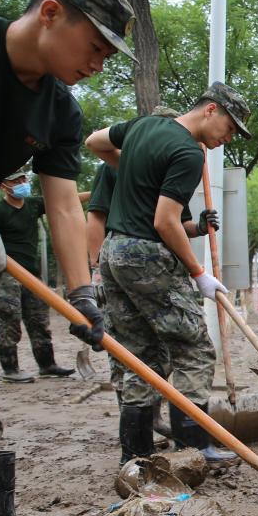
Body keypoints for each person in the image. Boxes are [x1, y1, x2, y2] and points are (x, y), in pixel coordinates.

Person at [0, 0, 134, 516]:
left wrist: (82, 292)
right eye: (96, 47)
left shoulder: (60, 111)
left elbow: (64, 204)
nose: (98, 65)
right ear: (50, 12)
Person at [85, 83, 249, 465]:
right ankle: (193, 448)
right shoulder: (189, 152)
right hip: (147, 255)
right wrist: (198, 273)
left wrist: (132, 168)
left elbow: (94, 141)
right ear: (210, 110)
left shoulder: (142, 127)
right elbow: (165, 221)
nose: (227, 138)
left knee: (141, 356)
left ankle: (137, 457)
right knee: (194, 347)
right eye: (229, 127)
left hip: (115, 253)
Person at [85, 106, 185, 439]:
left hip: (152, 271)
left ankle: (151, 418)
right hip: (119, 265)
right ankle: (133, 434)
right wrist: (97, 271)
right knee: (127, 352)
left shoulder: (166, 168)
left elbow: (172, 223)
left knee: (158, 351)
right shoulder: (115, 167)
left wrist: (198, 226)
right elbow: (96, 217)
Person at [0, 169, 87, 381]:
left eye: (23, 179)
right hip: (4, 274)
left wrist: (98, 193)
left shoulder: (33, 205)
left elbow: (66, 201)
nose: (22, 183)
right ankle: (10, 369)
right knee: (8, 319)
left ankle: (47, 365)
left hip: (31, 274)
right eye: (16, 180)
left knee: (39, 319)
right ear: (4, 186)